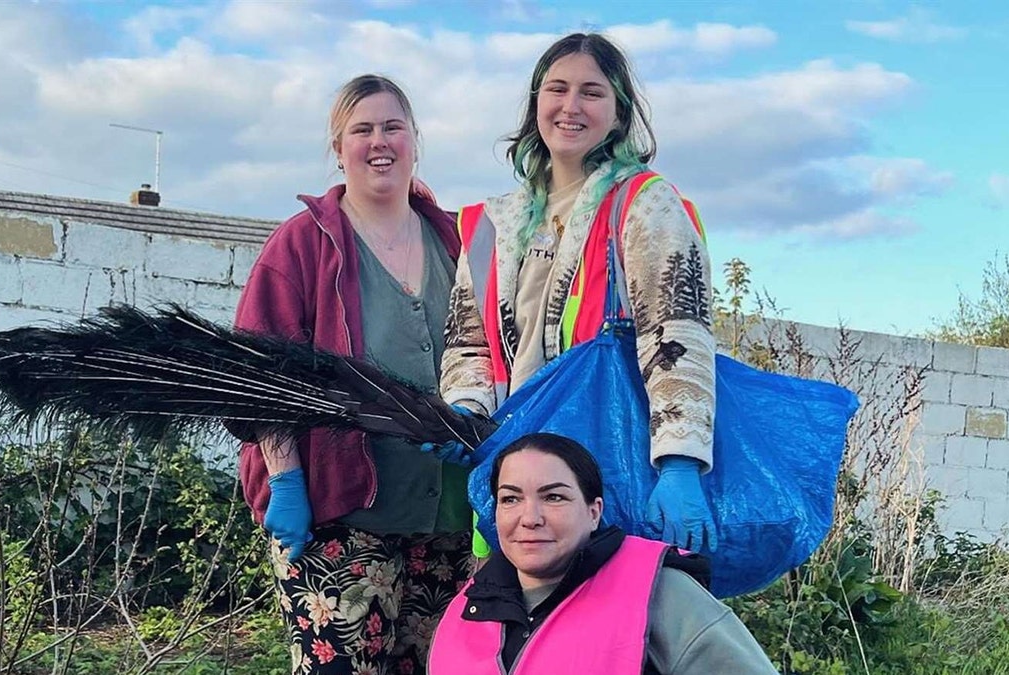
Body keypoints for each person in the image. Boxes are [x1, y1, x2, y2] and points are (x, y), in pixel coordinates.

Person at [438, 33, 718, 553]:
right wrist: (466, 412)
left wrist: (680, 463)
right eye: (557, 89)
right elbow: (469, 346)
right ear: (536, 105)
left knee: (606, 628)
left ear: (618, 114)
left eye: (592, 92)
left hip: (609, 475)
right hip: (513, 479)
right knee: (516, 629)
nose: (571, 106)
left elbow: (678, 332)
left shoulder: (645, 205)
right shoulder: (488, 226)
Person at [234, 74, 472, 675]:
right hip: (339, 516)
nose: (378, 141)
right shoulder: (303, 245)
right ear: (338, 150)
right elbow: (262, 374)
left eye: (393, 126)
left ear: (415, 140)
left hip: (446, 518)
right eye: (361, 130)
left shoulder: (456, 241)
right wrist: (286, 479)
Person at [427, 433, 777, 674]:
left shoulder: (663, 592)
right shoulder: (469, 606)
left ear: (594, 512)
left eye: (554, 497)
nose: (529, 519)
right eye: (511, 499)